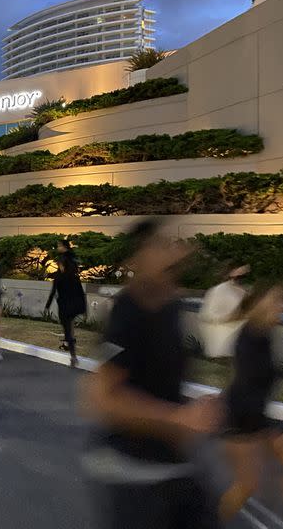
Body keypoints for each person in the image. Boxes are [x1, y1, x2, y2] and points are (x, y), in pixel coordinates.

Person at [82, 219, 222, 529]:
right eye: (160, 245)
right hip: (132, 468)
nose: (173, 250)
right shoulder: (128, 311)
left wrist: (194, 408)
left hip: (174, 462)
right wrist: (177, 418)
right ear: (138, 260)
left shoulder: (172, 306)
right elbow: (102, 398)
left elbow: (159, 382)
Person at [218, 284, 283, 522]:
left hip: (258, 415)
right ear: (259, 306)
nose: (281, 308)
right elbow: (246, 391)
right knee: (246, 485)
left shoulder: (264, 335)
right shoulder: (247, 340)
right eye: (275, 302)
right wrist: (269, 435)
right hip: (241, 418)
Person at [199, 264, 251, 357]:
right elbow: (207, 315)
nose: (243, 277)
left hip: (240, 343)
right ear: (231, 273)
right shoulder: (218, 290)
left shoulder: (243, 292)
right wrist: (230, 317)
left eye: (246, 273)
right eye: (240, 274)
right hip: (223, 344)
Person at [45, 256, 86, 366]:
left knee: (68, 331)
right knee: (69, 330)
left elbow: (53, 292)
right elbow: (81, 293)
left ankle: (73, 355)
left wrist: (47, 305)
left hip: (64, 307)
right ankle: (72, 353)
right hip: (73, 307)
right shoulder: (74, 277)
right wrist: (84, 308)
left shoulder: (59, 277)